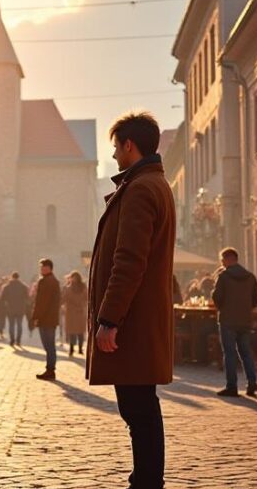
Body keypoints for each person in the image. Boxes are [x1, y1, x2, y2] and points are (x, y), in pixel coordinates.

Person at [88, 111, 175, 489]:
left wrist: (110, 320)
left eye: (116, 147)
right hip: (138, 318)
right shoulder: (152, 184)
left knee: (138, 408)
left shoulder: (141, 189)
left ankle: (147, 482)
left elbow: (129, 260)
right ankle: (145, 478)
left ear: (129, 145)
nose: (114, 156)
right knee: (139, 406)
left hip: (133, 322)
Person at [212, 248, 257, 397]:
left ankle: (232, 386)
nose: (222, 263)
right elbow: (256, 297)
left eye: (222, 260)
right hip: (245, 319)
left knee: (229, 353)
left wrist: (223, 308)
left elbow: (217, 297)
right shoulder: (250, 276)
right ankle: (252, 382)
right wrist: (247, 308)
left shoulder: (224, 277)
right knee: (246, 352)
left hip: (227, 319)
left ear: (227, 259)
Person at [31, 258, 62, 380]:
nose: (41, 269)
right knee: (49, 345)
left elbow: (41, 302)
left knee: (49, 345)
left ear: (49, 268)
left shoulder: (47, 282)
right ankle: (50, 369)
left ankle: (50, 370)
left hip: (46, 318)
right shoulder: (51, 281)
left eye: (43, 267)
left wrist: (36, 317)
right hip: (49, 318)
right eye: (41, 267)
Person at [0, 271, 29, 346]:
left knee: (11, 325)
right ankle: (18, 340)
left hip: (10, 309)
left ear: (12, 277)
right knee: (19, 325)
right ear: (18, 277)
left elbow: (2, 298)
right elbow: (27, 298)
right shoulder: (23, 286)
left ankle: (12, 340)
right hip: (20, 308)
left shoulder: (7, 287)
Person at [63, 271, 88, 357]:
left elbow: (86, 298)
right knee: (72, 332)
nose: (73, 279)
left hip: (78, 312)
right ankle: (72, 348)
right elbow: (64, 299)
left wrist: (82, 305)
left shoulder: (83, 287)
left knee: (79, 332)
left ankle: (79, 348)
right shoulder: (68, 288)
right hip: (72, 312)